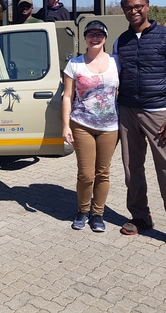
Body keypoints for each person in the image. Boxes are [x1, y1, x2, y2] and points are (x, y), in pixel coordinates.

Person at [113, 0, 166, 255]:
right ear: (123, 10)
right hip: (128, 111)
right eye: (128, 7)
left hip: (158, 113)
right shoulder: (120, 41)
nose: (133, 11)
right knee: (132, 168)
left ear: (147, 7)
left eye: (138, 6)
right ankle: (140, 216)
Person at [62, 20, 119, 233]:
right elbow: (67, 96)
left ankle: (98, 213)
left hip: (109, 126)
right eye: (90, 34)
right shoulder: (74, 64)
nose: (95, 38)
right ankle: (82, 210)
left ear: (105, 37)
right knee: (86, 173)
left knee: (103, 173)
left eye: (99, 34)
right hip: (82, 124)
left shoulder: (116, 62)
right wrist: (65, 125)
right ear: (84, 38)